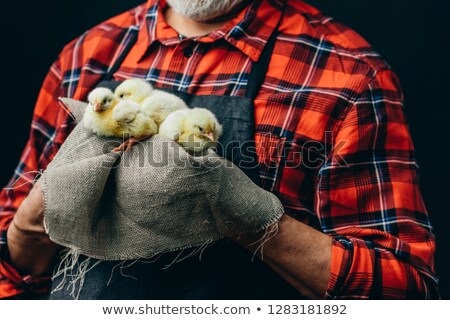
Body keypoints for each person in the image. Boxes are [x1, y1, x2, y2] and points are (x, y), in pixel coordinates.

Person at [0, 0, 439, 299]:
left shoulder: (347, 75)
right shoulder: (86, 56)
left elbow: (404, 291)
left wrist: (246, 215)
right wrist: (32, 222)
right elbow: (12, 273)